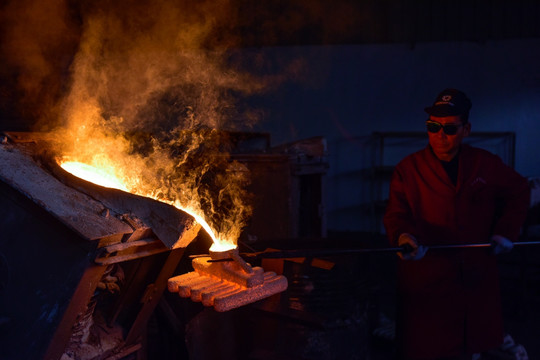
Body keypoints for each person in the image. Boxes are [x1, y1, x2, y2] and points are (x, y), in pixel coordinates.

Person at [383, 88, 530, 360]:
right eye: (433, 127)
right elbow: (396, 213)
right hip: (427, 278)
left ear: (466, 130)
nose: (440, 135)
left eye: (449, 128)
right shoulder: (409, 169)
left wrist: (506, 231)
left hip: (475, 275)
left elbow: (520, 191)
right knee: (427, 346)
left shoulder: (484, 164)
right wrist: (404, 236)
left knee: (470, 345)